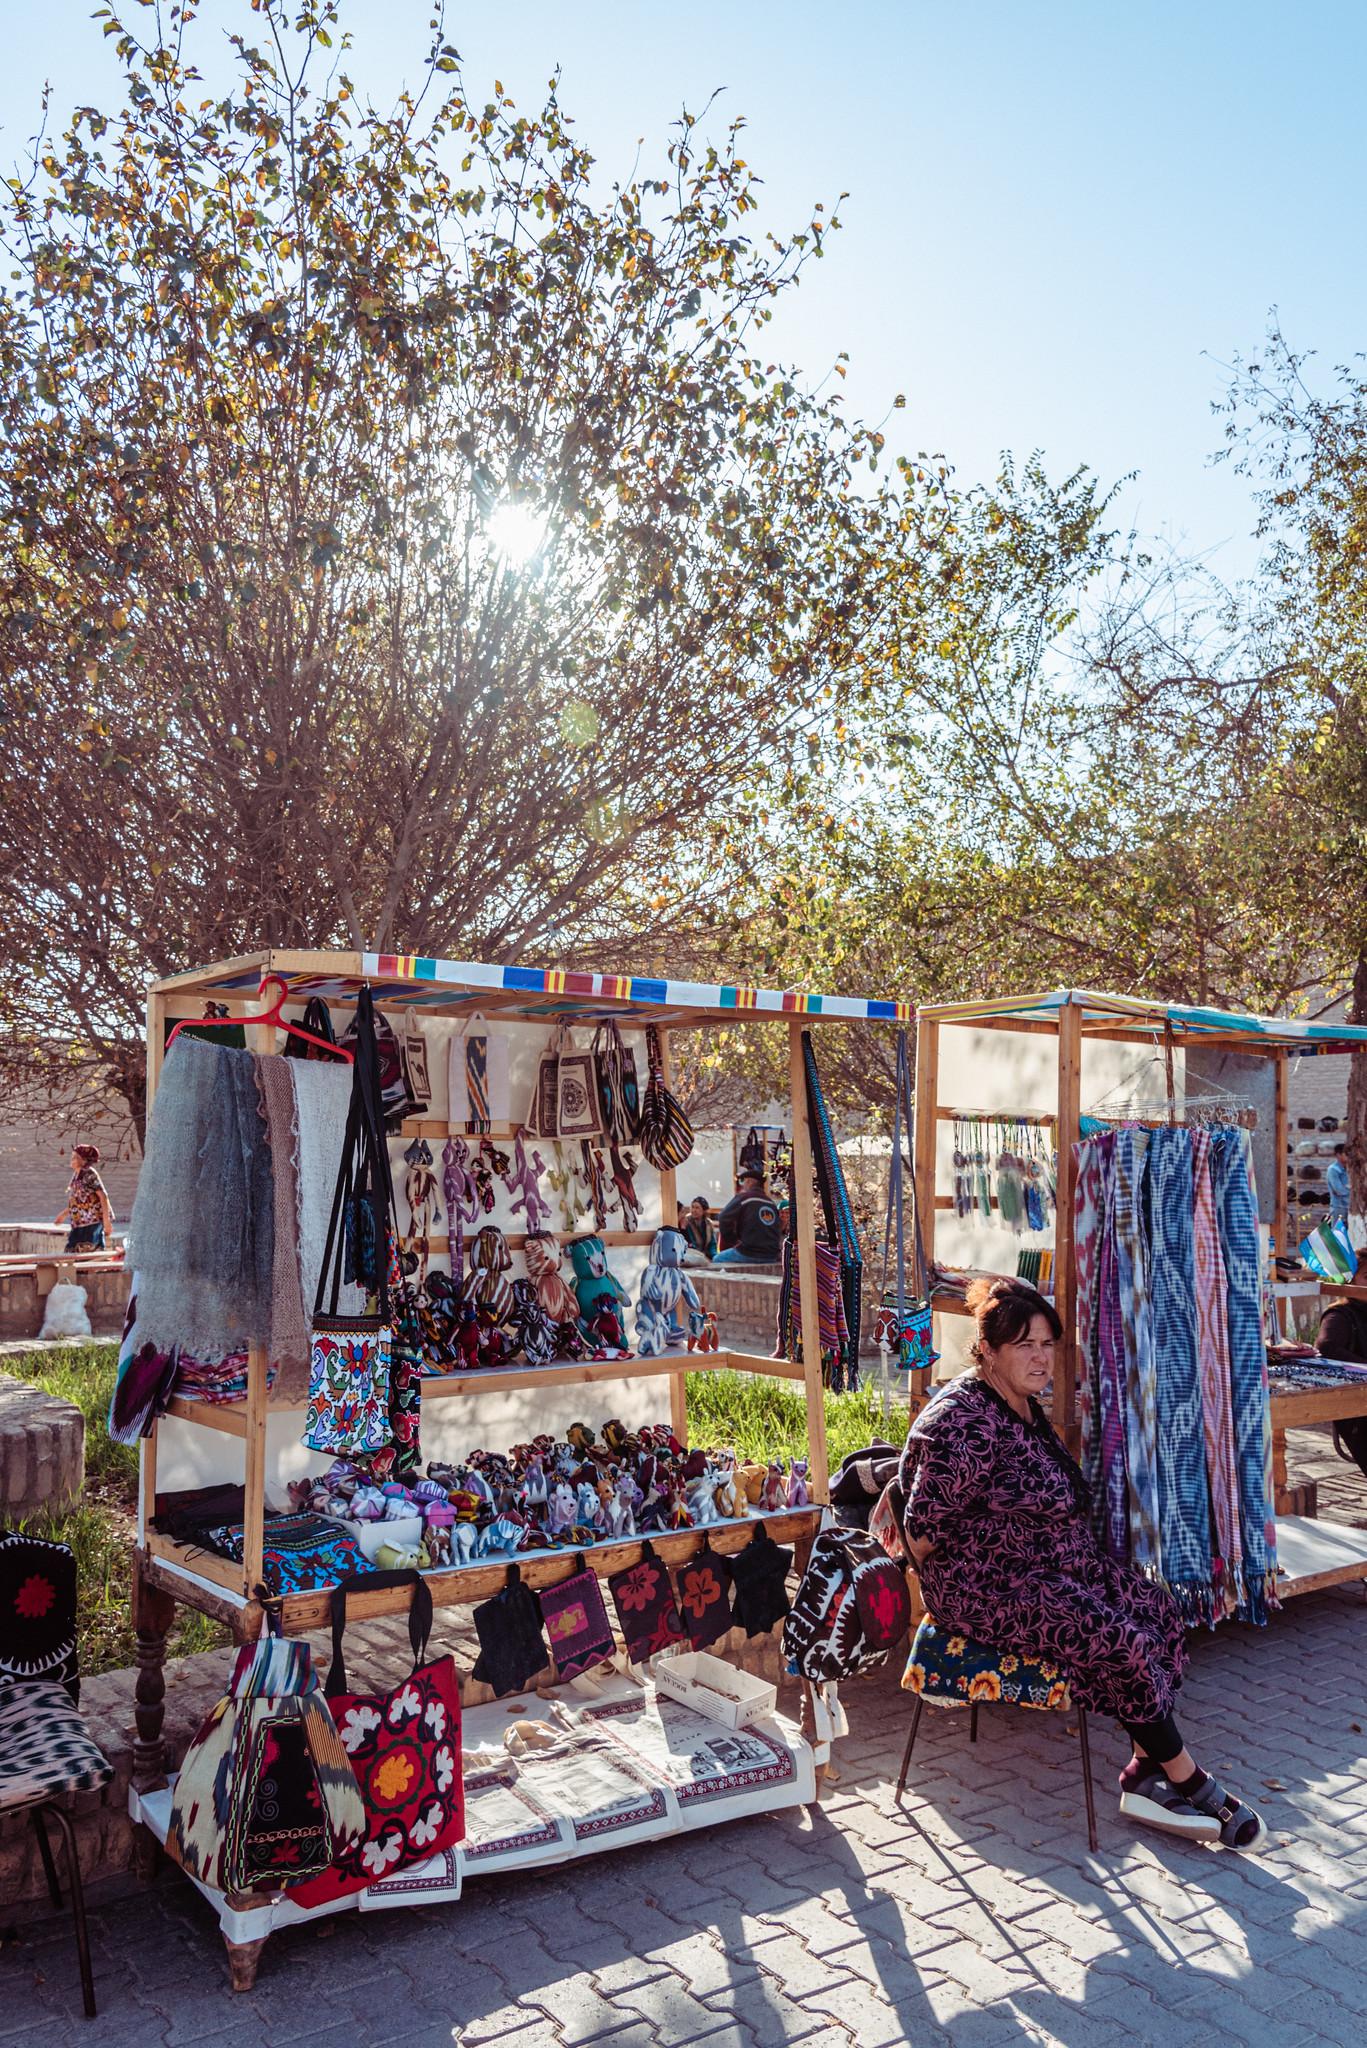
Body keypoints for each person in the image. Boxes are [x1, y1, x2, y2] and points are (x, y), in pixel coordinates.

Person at [899, 1276, 1264, 1847]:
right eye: (1025, 1345)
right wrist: (963, 1573)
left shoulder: (1019, 1404)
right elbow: (920, 1530)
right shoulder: (964, 1421)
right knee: (1111, 1635)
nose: (1041, 1357)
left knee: (1157, 1611)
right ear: (989, 1351)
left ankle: (1143, 1768)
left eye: (1047, 1344)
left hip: (1049, 1567)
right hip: (987, 1586)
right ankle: (1188, 1778)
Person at [55, 1142, 114, 1251]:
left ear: (83, 1160)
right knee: (72, 1251)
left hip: (92, 1222)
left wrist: (106, 1221)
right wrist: (63, 1215)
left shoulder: (89, 1174)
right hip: (78, 1223)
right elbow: (78, 1200)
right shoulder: (77, 1176)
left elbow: (103, 1196)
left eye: (74, 1157)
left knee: (88, 1253)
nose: (71, 1160)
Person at [714, 1172, 782, 1265]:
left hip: (749, 1253)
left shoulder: (744, 1198)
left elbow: (723, 1218)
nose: (742, 1185)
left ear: (749, 1182)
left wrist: (732, 1240)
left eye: (743, 1182)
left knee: (718, 1259)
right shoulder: (771, 1203)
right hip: (771, 1255)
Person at [682, 1196, 718, 1261]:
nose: (694, 1210)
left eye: (697, 1208)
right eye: (692, 1207)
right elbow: (690, 1242)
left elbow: (712, 1243)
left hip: (705, 1255)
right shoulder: (687, 1221)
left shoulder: (708, 1223)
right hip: (692, 1255)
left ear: (704, 1210)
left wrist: (714, 1256)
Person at [1327, 1150, 1350, 1225]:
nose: (1348, 1156)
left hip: (1349, 1207)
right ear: (1338, 1155)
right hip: (1339, 1207)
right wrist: (1352, 1190)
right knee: (1338, 1232)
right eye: (1346, 1154)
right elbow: (1339, 1190)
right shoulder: (1333, 1169)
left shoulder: (1348, 1169)